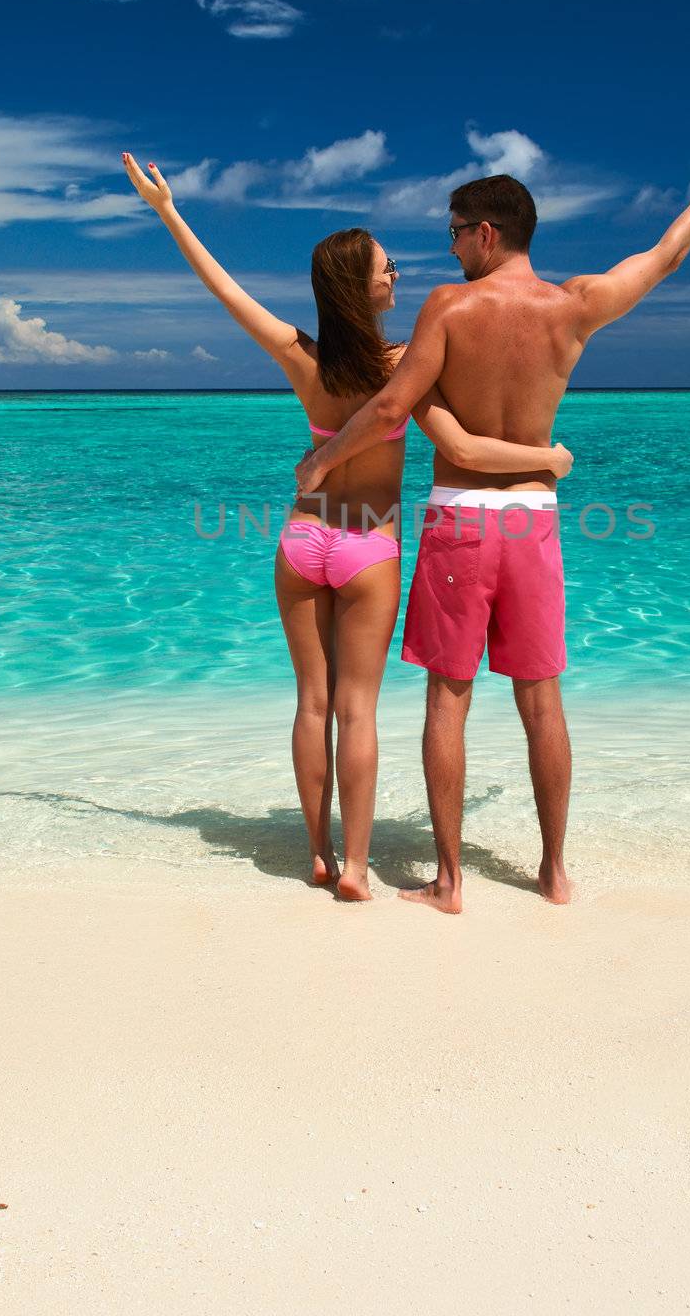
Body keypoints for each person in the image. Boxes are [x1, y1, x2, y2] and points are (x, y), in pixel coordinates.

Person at [295, 116, 690, 913]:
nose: (447, 250)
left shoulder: (450, 306)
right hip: (534, 526)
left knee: (450, 696)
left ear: (484, 232)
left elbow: (392, 406)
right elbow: (665, 257)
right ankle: (553, 873)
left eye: (453, 234)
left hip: (459, 525)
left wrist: (321, 462)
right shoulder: (573, 306)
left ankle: (449, 883)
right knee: (542, 699)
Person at [121, 153, 574, 902]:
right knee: (357, 707)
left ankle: (319, 855)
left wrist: (168, 212)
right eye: (385, 267)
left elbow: (224, 289)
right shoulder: (404, 367)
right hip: (368, 546)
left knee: (312, 703)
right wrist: (549, 458)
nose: (397, 273)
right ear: (359, 285)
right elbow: (459, 448)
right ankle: (358, 868)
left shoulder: (302, 356)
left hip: (301, 540)